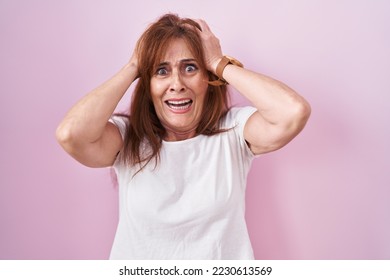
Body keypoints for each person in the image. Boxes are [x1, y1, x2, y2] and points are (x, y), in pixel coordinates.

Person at [56, 13, 311, 259]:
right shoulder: (127, 137)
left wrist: (218, 63)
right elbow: (71, 134)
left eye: (190, 68)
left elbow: (292, 111)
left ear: (207, 79)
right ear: (147, 84)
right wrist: (134, 65)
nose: (176, 84)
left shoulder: (233, 132)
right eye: (161, 71)